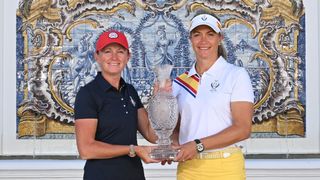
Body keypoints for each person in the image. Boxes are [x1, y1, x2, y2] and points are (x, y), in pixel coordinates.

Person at [169, 11, 254, 180]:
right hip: (189, 168)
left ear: (220, 38)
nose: (203, 41)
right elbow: (176, 129)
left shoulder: (236, 75)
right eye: (197, 35)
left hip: (225, 167)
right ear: (191, 39)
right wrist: (172, 145)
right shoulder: (180, 82)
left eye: (210, 34)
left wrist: (197, 145)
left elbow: (243, 129)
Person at [74, 30, 159, 180]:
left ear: (128, 57)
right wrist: (132, 149)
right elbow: (86, 149)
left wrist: (158, 100)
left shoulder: (130, 91)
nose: (114, 57)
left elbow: (151, 134)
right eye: (107, 51)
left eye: (120, 52)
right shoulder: (88, 94)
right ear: (97, 56)